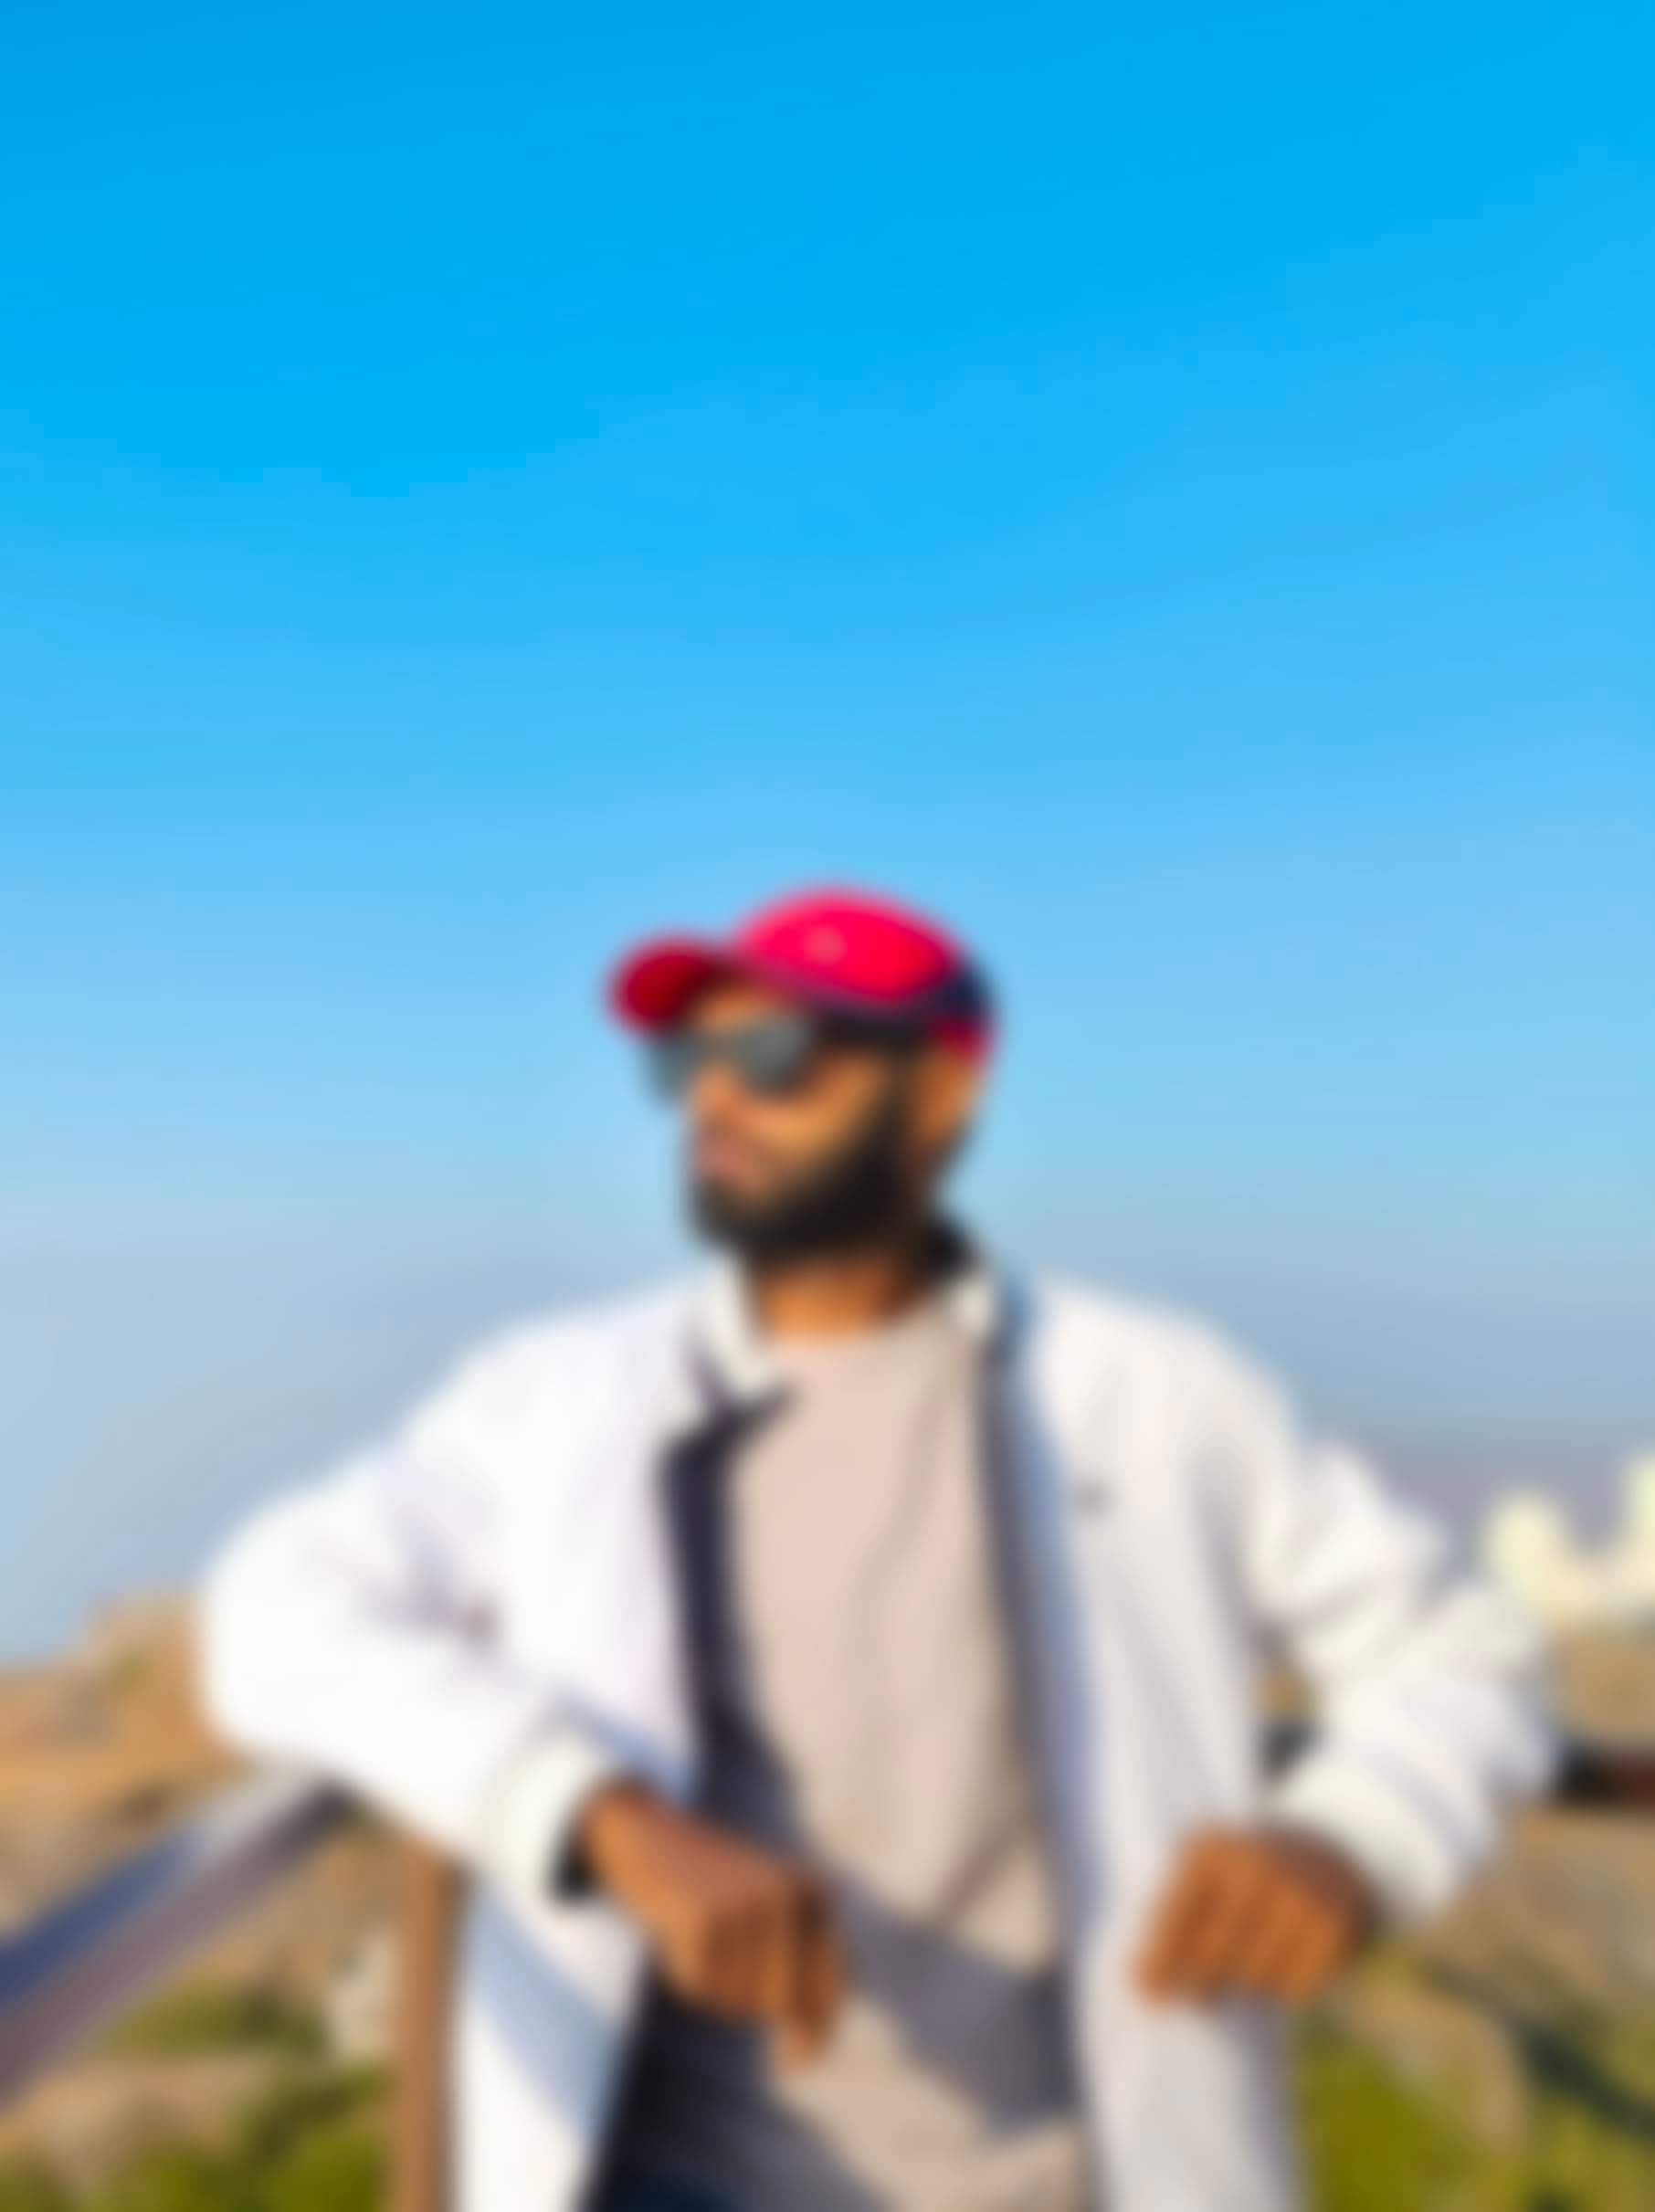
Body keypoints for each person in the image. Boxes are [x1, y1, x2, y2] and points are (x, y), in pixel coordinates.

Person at [200, 885, 1554, 2212]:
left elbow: (1468, 1653)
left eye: (774, 1055)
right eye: (686, 1062)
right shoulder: (557, 1398)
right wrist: (599, 1816)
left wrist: (1352, 1837)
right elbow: (273, 1611)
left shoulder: (1159, 1396)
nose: (714, 1099)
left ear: (941, 1094)